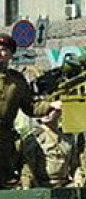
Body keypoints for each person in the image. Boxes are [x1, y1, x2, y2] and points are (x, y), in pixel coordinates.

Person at [0, 33, 62, 188]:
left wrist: (51, 105)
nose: (2, 53)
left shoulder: (16, 80)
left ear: (10, 55)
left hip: (5, 141)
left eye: (5, 50)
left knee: (7, 184)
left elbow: (31, 106)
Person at [20, 108, 76, 188]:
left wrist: (79, 181)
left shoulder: (67, 137)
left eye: (50, 110)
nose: (46, 113)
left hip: (65, 185)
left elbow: (75, 165)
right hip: (42, 185)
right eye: (43, 110)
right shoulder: (35, 138)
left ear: (59, 112)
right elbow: (28, 171)